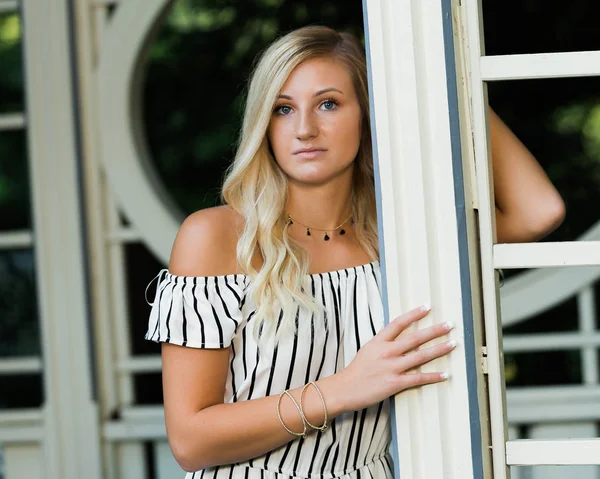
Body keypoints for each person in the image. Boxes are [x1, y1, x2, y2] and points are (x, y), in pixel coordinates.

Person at [145, 26, 565, 479]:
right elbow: (190, 441)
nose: (304, 129)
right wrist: (343, 390)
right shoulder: (217, 237)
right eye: (284, 109)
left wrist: (445, 80)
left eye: (328, 104)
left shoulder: (398, 237)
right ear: (264, 125)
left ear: (368, 114)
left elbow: (539, 211)